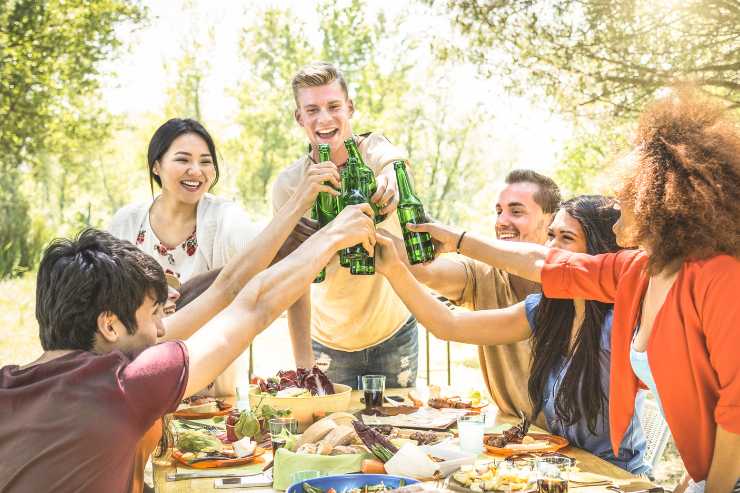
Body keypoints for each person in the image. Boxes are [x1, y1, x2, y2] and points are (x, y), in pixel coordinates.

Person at [403, 90, 740, 491]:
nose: (616, 209)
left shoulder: (720, 277)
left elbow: (735, 408)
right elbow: (541, 264)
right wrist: (457, 240)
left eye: (626, 198)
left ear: (659, 201)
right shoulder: (636, 271)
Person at [0, 172, 374, 492]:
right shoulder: (124, 386)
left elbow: (226, 290)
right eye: (151, 315)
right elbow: (254, 305)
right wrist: (331, 237)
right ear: (109, 324)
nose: (163, 328)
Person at [376, 195, 649, 474]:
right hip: (559, 470)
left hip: (615, 476)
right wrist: (393, 270)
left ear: (600, 253)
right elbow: (449, 324)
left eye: (566, 238)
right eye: (551, 236)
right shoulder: (547, 309)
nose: (552, 248)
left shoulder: (623, 323)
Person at [271, 61, 417, 388]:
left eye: (333, 106)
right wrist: (304, 365)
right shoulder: (289, 185)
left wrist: (391, 184)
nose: (324, 119)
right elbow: (292, 280)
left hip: (393, 333)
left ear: (349, 108)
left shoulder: (374, 150)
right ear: (299, 117)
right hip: (328, 344)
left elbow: (395, 165)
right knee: (335, 434)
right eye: (312, 109)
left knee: (404, 431)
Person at [110, 118, 259, 397]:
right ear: (156, 165)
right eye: (183, 159)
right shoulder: (126, 223)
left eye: (205, 161)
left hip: (213, 393)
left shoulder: (225, 217)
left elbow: (265, 263)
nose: (196, 171)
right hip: (140, 389)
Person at [402, 169, 560, 422]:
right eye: (499, 211)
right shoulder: (484, 274)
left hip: (575, 444)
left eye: (516, 211)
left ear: (552, 220)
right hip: (516, 435)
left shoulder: (573, 286)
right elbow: (426, 270)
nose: (502, 221)